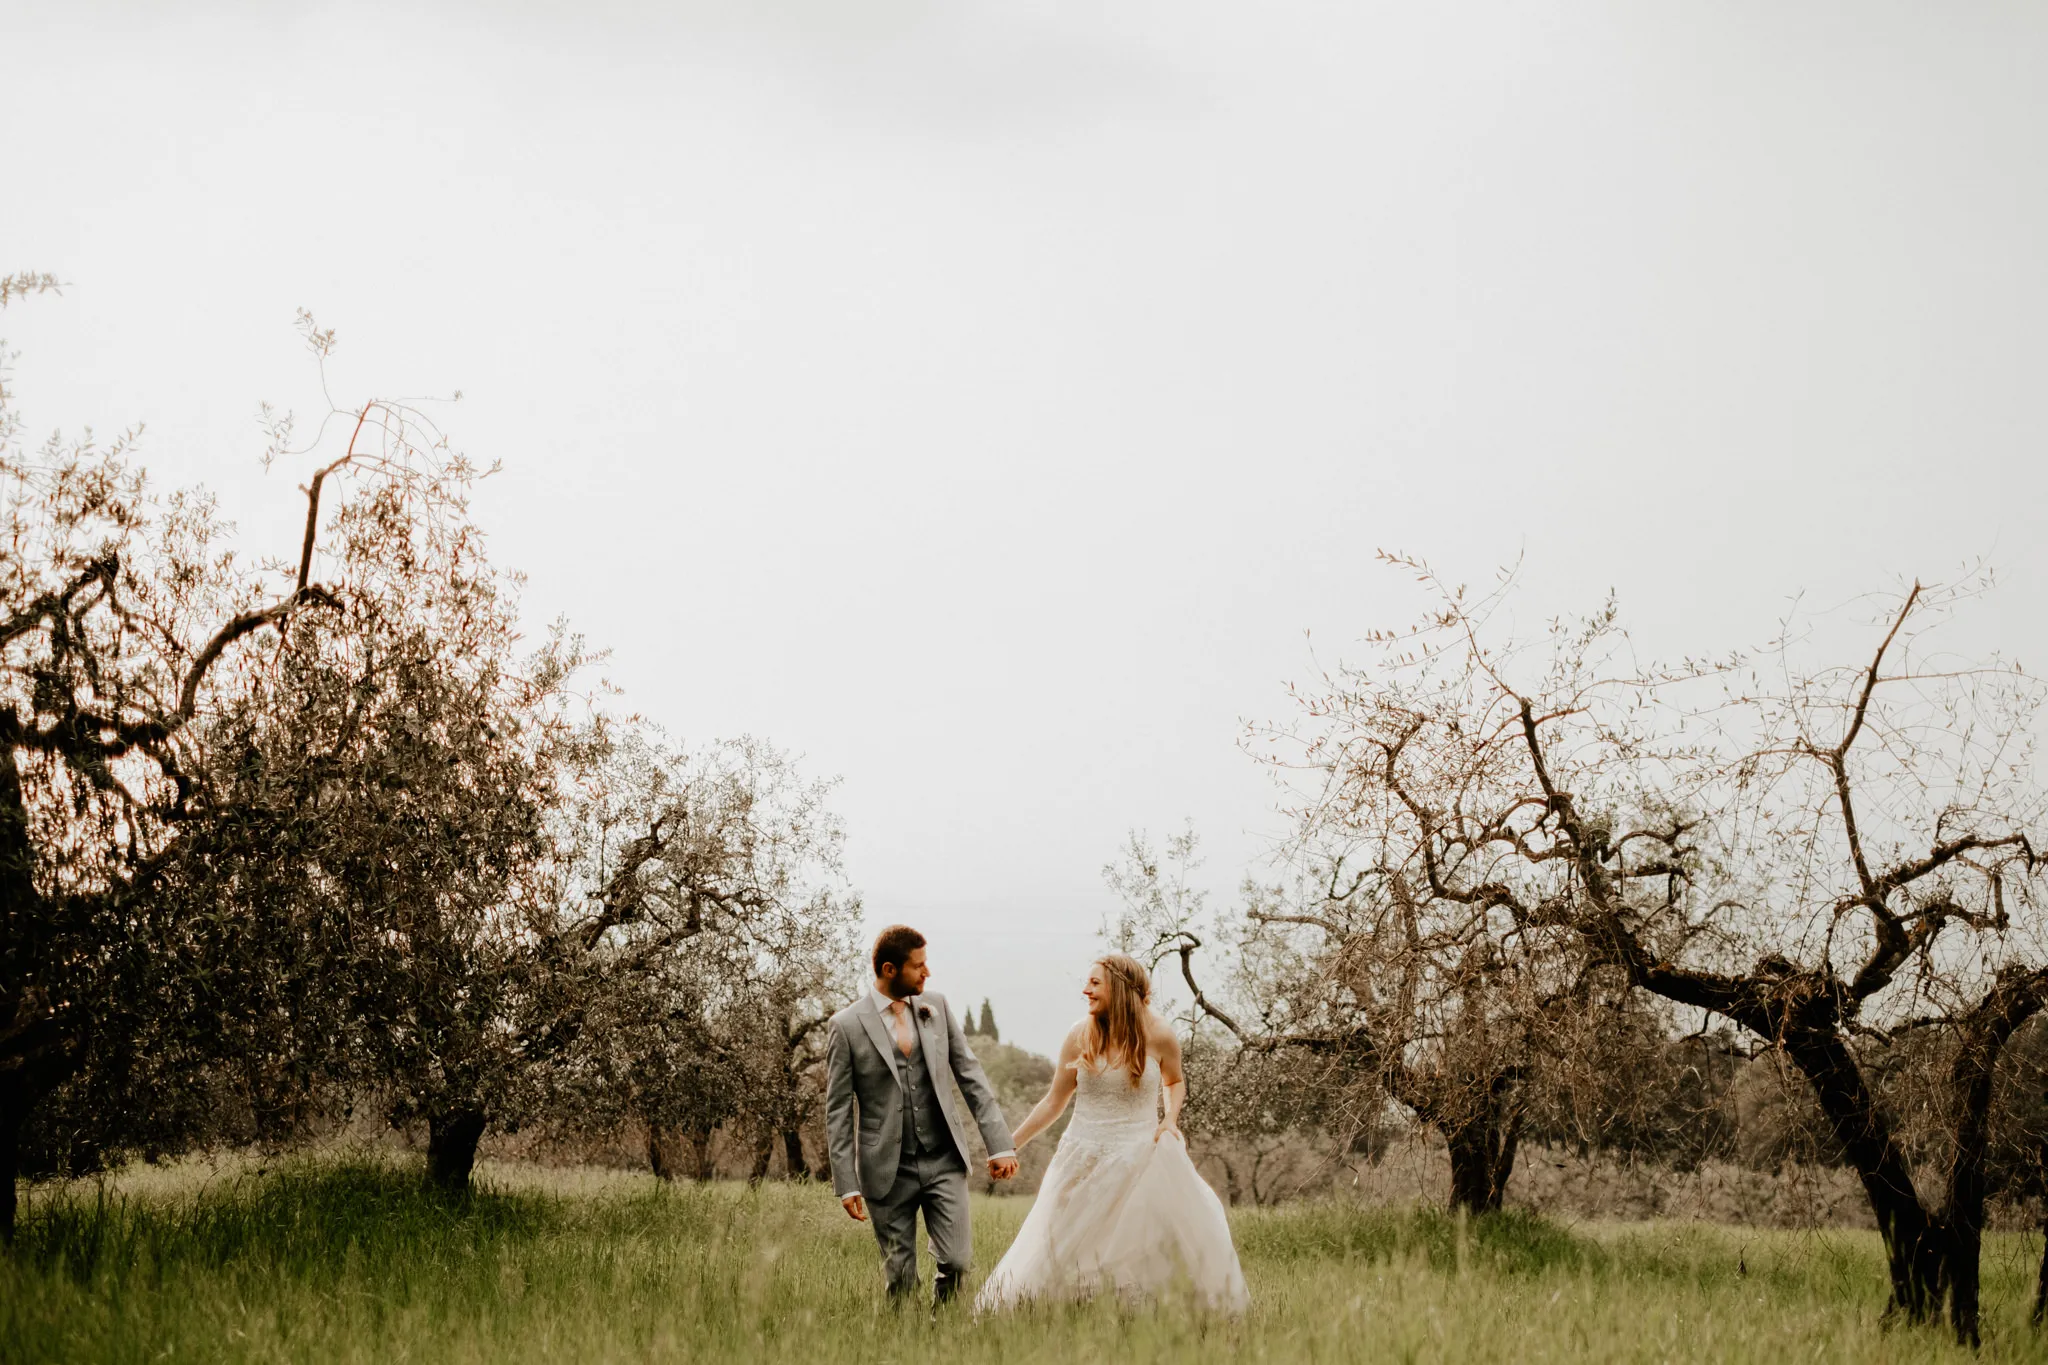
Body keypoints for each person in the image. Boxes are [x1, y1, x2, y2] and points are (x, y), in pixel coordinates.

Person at [975, 953, 1249, 1313]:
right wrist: (1007, 1147)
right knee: (1061, 1244)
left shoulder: (1160, 1034)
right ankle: (1060, 1317)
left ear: (1120, 987)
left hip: (1139, 1158)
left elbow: (1176, 1080)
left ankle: (1138, 1321)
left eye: (1094, 983)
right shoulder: (1079, 1035)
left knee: (1136, 1246)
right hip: (1081, 1157)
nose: (1085, 989)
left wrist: (1170, 1119)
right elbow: (1053, 1102)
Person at [823, 925, 1018, 1307]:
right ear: (890, 970)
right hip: (886, 1168)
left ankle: (941, 1330)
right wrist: (846, 1183)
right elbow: (838, 1110)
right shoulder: (845, 1026)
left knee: (958, 1263)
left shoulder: (937, 1008)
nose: (927, 972)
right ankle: (908, 1347)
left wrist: (1000, 1145)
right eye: (919, 966)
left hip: (944, 1159)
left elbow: (971, 1077)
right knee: (900, 1277)